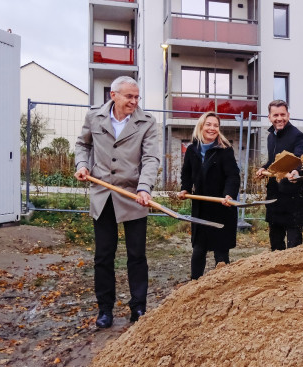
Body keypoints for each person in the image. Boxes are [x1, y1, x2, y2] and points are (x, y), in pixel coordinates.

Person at [74, 76, 160, 328]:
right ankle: (105, 310)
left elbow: (151, 158)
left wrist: (145, 188)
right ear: (114, 95)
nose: (134, 101)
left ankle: (139, 307)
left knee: (136, 255)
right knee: (103, 256)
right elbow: (83, 144)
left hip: (134, 196)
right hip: (103, 195)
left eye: (137, 97)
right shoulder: (95, 117)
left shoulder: (147, 122)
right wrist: (82, 165)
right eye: (129, 96)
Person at [178, 112, 241, 280]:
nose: (212, 128)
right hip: (201, 208)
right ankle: (194, 284)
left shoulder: (224, 150)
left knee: (221, 252)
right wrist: (185, 189)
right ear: (201, 126)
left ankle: (223, 287)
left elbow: (233, 176)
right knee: (199, 249)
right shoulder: (192, 150)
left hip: (222, 207)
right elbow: (186, 174)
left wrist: (229, 195)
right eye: (208, 124)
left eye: (215, 125)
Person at [254, 100, 303, 250]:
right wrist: (263, 168)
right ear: (269, 117)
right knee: (276, 241)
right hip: (275, 196)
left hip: (294, 197)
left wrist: (297, 170)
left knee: (293, 244)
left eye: (283, 114)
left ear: (288, 115)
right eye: (275, 115)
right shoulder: (271, 136)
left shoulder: (298, 136)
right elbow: (273, 162)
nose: (279, 118)